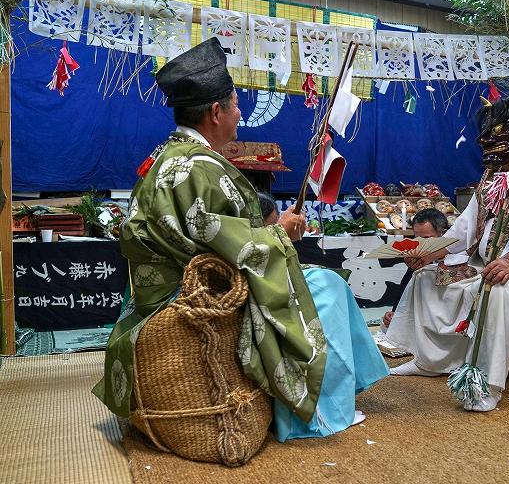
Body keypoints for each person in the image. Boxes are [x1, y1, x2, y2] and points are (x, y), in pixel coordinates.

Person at [93, 38, 388, 442]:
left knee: (318, 279)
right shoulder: (199, 167)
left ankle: (337, 389)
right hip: (200, 290)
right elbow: (226, 247)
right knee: (327, 286)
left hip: (170, 284)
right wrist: (280, 234)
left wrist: (272, 233)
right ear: (215, 112)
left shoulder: (168, 157)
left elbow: (213, 235)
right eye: (234, 105)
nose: (239, 113)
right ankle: (314, 412)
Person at [385, 98, 509, 412]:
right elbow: (463, 227)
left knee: (499, 291)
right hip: (480, 263)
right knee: (424, 278)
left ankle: (486, 383)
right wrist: (429, 253)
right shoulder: (492, 173)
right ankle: (428, 361)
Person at [381, 208, 449, 331]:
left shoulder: (460, 260)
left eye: (427, 238)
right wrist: (394, 314)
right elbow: (404, 291)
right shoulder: (417, 261)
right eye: (417, 239)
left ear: (444, 234)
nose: (420, 244)